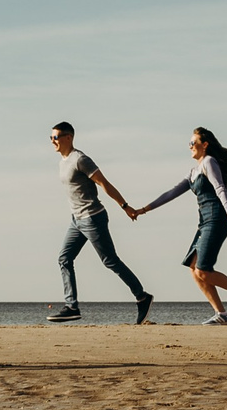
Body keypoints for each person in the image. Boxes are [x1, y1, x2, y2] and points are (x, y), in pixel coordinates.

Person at [128, 127, 227, 324]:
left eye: (193, 143)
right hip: (204, 222)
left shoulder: (209, 162)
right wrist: (143, 210)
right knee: (193, 268)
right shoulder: (193, 172)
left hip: (216, 218)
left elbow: (219, 188)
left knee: (203, 270)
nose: (189, 146)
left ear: (204, 144)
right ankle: (222, 314)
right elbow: (170, 194)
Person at [46, 123, 152, 324]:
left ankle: (142, 297)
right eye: (51, 138)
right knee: (64, 258)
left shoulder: (80, 159)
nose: (53, 141)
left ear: (69, 137)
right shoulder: (63, 161)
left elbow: (105, 184)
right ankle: (71, 307)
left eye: (56, 137)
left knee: (110, 260)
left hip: (93, 218)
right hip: (76, 220)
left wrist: (125, 206)